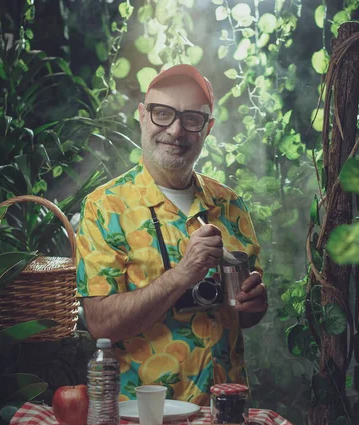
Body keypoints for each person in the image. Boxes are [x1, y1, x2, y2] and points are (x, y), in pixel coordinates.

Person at [76, 64, 268, 405]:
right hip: (143, 414)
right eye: (162, 113)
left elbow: (245, 315)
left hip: (224, 411)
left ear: (207, 128)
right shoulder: (105, 207)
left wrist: (255, 304)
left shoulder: (229, 205)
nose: (176, 130)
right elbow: (100, 324)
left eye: (192, 118)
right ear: (142, 115)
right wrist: (181, 275)